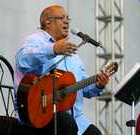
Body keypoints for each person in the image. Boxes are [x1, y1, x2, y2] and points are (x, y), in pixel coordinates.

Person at [14, 4, 109, 135]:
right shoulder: (35, 40)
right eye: (61, 18)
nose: (66, 21)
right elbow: (22, 60)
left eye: (68, 19)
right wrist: (53, 49)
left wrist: (98, 85)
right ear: (47, 21)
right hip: (39, 115)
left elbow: (84, 89)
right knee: (65, 122)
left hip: (75, 120)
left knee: (95, 133)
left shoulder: (72, 54)